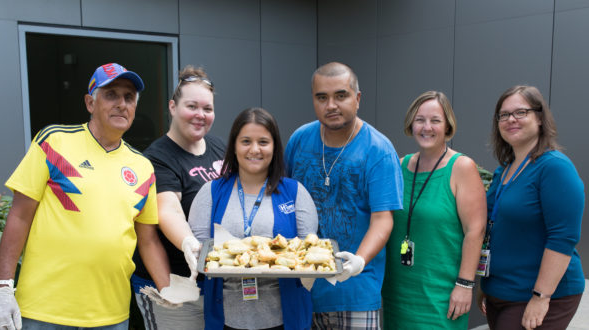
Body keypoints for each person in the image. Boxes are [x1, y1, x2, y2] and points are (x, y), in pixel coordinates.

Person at [0, 63, 171, 329]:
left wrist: (169, 291)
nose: (122, 104)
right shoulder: (54, 141)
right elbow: (19, 216)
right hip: (44, 311)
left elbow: (148, 242)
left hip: (111, 315)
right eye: (111, 94)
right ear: (90, 102)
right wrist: (3, 287)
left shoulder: (143, 167)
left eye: (129, 97)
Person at [284, 62, 403, 329]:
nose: (331, 105)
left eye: (341, 95)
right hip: (301, 288)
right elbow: (283, 201)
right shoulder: (299, 140)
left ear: (357, 98)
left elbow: (383, 218)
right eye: (322, 97)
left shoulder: (379, 150)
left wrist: (359, 260)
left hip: (355, 291)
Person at [189, 107, 318, 330]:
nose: (255, 150)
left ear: (275, 146)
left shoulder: (295, 193)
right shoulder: (210, 192)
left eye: (264, 142)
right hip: (226, 319)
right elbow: (202, 254)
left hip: (284, 318)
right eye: (246, 141)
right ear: (234, 146)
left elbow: (308, 252)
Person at [478, 85, 585, 330]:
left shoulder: (554, 168)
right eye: (503, 115)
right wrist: (487, 285)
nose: (511, 119)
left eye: (520, 112)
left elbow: (563, 237)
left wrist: (541, 297)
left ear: (539, 118)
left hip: (541, 294)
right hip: (501, 292)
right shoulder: (503, 170)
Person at [131, 66, 225, 329]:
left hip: (213, 281)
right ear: (173, 107)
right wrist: (190, 244)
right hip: (173, 283)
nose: (200, 115)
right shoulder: (158, 157)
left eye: (207, 109)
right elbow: (168, 210)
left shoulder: (219, 147)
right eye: (192, 106)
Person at [382, 91, 486, 329]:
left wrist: (465, 285)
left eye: (435, 120)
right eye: (420, 120)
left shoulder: (462, 167)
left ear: (448, 125)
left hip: (442, 292)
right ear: (411, 123)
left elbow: (475, 231)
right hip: (398, 290)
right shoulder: (399, 165)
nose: (426, 127)